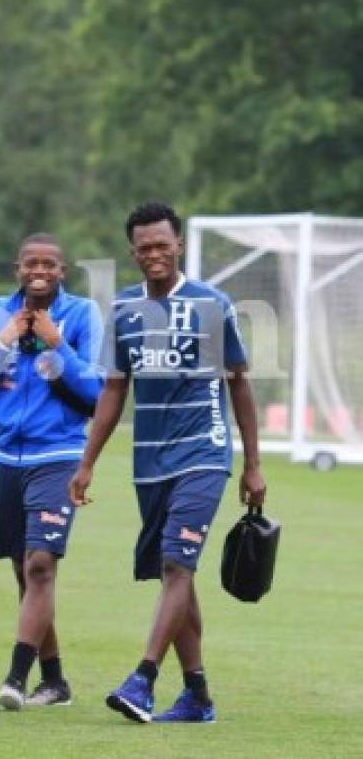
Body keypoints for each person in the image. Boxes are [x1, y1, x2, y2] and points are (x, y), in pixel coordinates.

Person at [69, 202, 267, 724]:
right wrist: (88, 462)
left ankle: (144, 679)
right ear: (133, 252)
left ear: (178, 245)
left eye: (163, 245)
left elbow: (239, 384)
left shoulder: (212, 304)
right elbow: (114, 390)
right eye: (144, 248)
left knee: (179, 563)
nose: (154, 254)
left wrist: (252, 464)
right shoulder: (125, 310)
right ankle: (198, 697)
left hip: (205, 452)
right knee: (173, 574)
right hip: (149, 463)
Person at [0, 233, 104, 710]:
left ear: (62, 271)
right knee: (25, 577)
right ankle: (56, 682)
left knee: (41, 565)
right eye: (30, 263)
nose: (39, 271)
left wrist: (56, 343)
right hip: (7, 458)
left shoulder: (82, 315)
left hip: (59, 455)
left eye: (49, 264)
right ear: (17, 268)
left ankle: (15, 679)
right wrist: (3, 342)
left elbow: (97, 393)